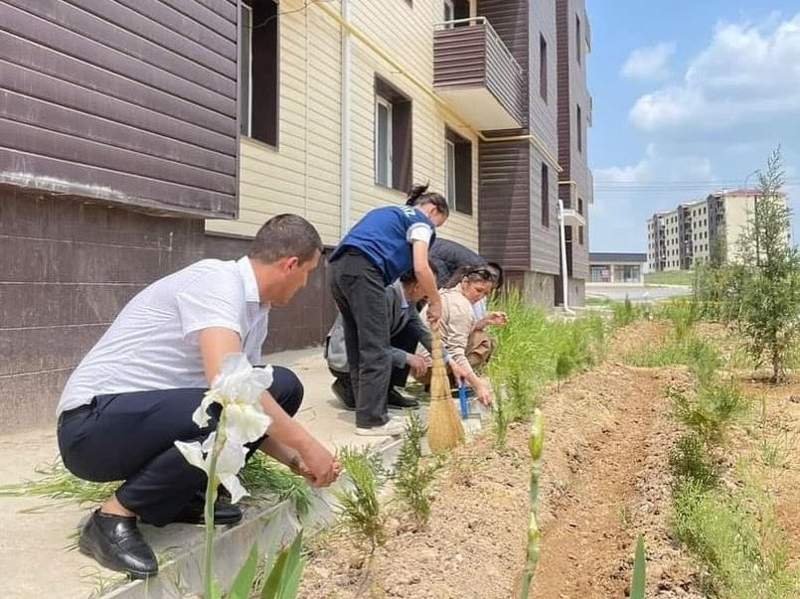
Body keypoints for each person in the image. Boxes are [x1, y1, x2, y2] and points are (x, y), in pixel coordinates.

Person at [56, 215, 340, 579]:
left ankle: (175, 496)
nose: (306, 283)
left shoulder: (256, 311)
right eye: (309, 273)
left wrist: (294, 459)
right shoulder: (217, 281)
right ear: (291, 265)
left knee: (281, 386)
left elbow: (250, 409)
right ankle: (111, 518)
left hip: (145, 422)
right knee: (231, 400)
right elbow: (231, 385)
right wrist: (311, 446)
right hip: (93, 426)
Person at [329, 184, 448, 436]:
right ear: (434, 210)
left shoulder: (390, 212)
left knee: (358, 344)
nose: (435, 229)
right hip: (365, 270)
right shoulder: (421, 222)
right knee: (376, 347)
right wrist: (436, 301)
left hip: (339, 268)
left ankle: (366, 415)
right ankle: (373, 420)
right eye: (439, 223)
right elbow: (421, 266)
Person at [325, 267, 467, 411]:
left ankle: (388, 390)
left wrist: (449, 361)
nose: (432, 292)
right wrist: (407, 357)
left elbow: (421, 331)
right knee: (361, 403)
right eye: (430, 286)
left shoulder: (408, 298)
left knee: (411, 330)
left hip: (370, 349)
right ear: (417, 285)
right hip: (346, 355)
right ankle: (346, 384)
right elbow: (370, 343)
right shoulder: (382, 293)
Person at [421, 267, 508, 406]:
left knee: (478, 334)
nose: (480, 296)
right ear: (465, 282)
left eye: (485, 294)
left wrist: (485, 321)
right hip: (432, 367)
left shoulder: (446, 294)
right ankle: (452, 381)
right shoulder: (461, 306)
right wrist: (478, 385)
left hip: (420, 364)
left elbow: (459, 332)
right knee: (484, 340)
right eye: (478, 290)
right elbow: (456, 352)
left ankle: (447, 380)